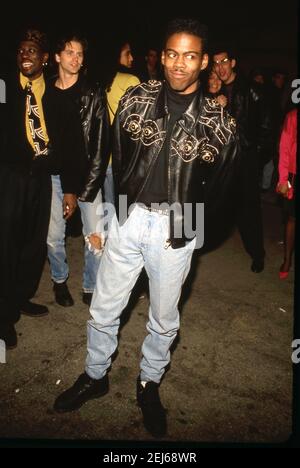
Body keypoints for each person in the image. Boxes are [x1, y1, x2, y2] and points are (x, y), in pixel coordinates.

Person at [53, 18, 238, 438]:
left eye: (190, 56)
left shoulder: (219, 123)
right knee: (104, 307)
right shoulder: (137, 98)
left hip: (178, 227)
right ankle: (95, 375)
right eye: (172, 54)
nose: (178, 64)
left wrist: (192, 230)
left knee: (163, 318)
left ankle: (148, 383)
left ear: (204, 61)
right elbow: (117, 155)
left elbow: (226, 191)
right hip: (130, 217)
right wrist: (117, 214)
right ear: (164, 54)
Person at [0, 29, 84, 349]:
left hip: (41, 180)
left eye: (32, 51)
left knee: (32, 246)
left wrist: (71, 190)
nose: (25, 55)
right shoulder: (4, 89)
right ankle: (3, 316)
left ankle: (21, 297)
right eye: (21, 51)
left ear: (44, 58)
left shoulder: (58, 98)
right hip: (9, 178)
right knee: (5, 246)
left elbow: (75, 148)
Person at [46, 34, 110, 307]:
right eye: (69, 52)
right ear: (57, 56)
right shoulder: (44, 91)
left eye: (80, 53)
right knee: (53, 236)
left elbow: (100, 145)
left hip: (87, 178)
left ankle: (90, 285)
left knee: (96, 237)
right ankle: (59, 281)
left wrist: (87, 189)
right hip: (53, 176)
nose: (75, 58)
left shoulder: (92, 92)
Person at [212, 45, 273, 273]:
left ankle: (257, 254)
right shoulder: (214, 91)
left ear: (233, 62)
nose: (221, 67)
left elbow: (267, 129)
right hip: (222, 160)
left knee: (249, 209)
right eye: (216, 63)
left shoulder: (252, 91)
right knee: (216, 203)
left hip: (245, 159)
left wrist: (255, 158)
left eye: (224, 61)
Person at [276, 108, 297, 279]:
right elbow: (284, 147)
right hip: (295, 175)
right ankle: (287, 259)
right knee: (292, 218)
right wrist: (283, 179)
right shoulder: (293, 116)